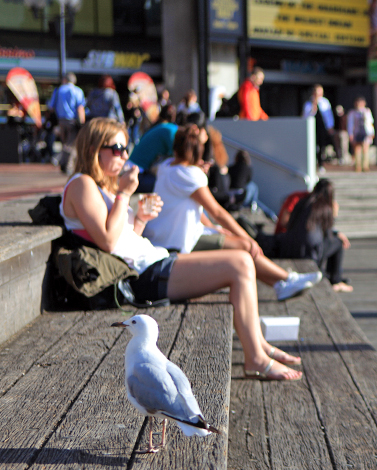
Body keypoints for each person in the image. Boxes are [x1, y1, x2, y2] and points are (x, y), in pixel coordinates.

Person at [61, 118, 304, 380]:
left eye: (125, 148)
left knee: (243, 261)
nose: (125, 155)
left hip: (152, 262)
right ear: (93, 149)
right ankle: (255, 357)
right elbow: (107, 243)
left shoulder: (102, 187)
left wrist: (140, 218)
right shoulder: (81, 184)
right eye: (117, 148)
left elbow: (123, 240)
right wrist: (123, 194)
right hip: (140, 278)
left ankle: (259, 346)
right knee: (241, 263)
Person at [143, 124, 320, 301]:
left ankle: (282, 282)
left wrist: (212, 227)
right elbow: (218, 212)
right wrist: (248, 238)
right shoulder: (190, 175)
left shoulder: (166, 167)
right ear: (198, 153)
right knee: (245, 247)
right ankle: (285, 280)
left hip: (170, 236)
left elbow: (189, 206)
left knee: (241, 246)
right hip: (178, 241)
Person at [257, 179, 352, 292]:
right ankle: (336, 280)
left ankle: (331, 277)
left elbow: (288, 224)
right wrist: (334, 214)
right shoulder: (325, 207)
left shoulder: (302, 201)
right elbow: (328, 234)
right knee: (338, 243)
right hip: (310, 252)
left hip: (288, 247)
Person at [128, 104, 179, 193]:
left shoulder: (163, 127)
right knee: (170, 183)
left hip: (135, 170)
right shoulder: (171, 131)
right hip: (138, 173)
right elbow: (178, 158)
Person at [47, 72, 86, 170]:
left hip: (61, 120)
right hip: (72, 120)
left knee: (65, 142)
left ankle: (63, 164)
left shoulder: (59, 90)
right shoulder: (78, 91)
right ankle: (66, 164)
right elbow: (80, 107)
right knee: (71, 143)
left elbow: (51, 106)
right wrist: (82, 122)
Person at [302, 84, 335, 173]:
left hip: (322, 128)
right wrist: (314, 106)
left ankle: (321, 164)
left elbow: (329, 115)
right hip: (312, 128)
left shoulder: (325, 102)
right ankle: (312, 165)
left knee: (322, 146)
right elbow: (305, 116)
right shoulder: (308, 103)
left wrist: (330, 126)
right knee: (312, 146)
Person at [346, 96, 374, 172]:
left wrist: (372, 132)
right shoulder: (352, 113)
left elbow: (370, 123)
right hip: (357, 132)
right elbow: (350, 124)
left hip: (365, 132)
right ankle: (357, 166)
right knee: (357, 150)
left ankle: (365, 166)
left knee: (365, 149)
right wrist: (350, 134)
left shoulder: (367, 111)